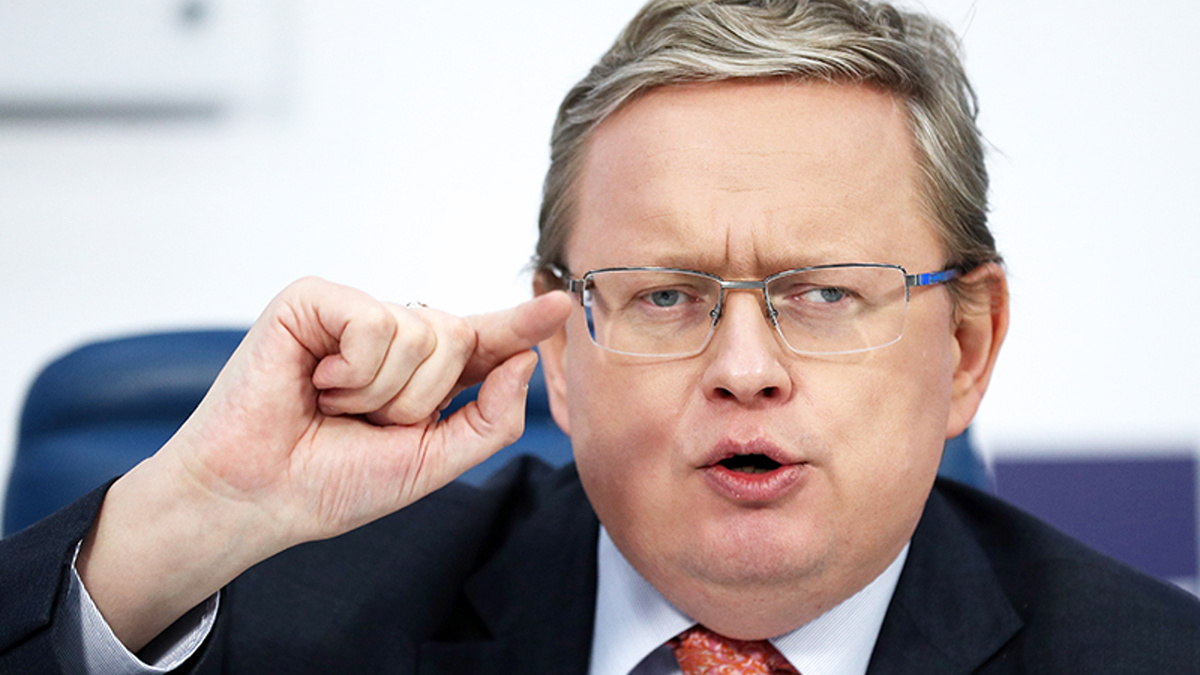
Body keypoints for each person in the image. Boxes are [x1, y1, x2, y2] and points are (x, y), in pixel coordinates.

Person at [3, 0, 1199, 673]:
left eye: (825, 294)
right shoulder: (291, 616)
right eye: (665, 295)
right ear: (562, 353)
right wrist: (193, 518)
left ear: (968, 345)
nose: (744, 371)